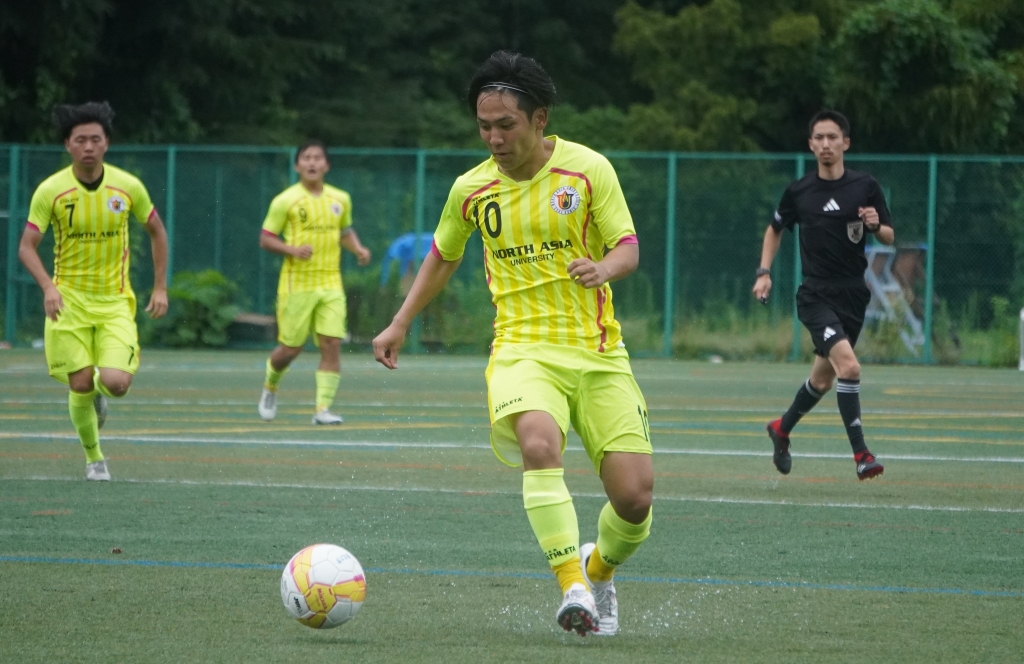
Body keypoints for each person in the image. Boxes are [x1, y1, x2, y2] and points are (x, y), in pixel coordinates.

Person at [372, 51, 653, 637]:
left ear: (540, 118)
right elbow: (443, 255)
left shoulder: (588, 170)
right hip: (521, 349)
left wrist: (604, 268)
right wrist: (400, 322)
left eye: (506, 125)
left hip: (599, 351)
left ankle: (598, 573)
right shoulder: (471, 189)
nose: (494, 139)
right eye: (484, 127)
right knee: (538, 444)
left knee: (635, 499)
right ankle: (572, 586)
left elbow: (627, 247)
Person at [18, 102, 169, 481]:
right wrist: (48, 287)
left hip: (115, 301)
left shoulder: (128, 186)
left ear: (107, 144)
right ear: (67, 144)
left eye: (96, 139)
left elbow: (156, 231)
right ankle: (94, 458)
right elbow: (27, 246)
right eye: (80, 139)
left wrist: (160, 287)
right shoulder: (51, 190)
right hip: (67, 303)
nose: (88, 146)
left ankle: (101, 394)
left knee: (116, 384)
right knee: (80, 382)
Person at [753, 109, 894, 481]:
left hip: (854, 295)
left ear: (845, 142)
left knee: (822, 380)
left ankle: (781, 429)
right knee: (850, 367)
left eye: (833, 137)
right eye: (819, 138)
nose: (826, 144)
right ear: (811, 145)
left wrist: (876, 226)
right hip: (815, 295)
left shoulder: (865, 186)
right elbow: (774, 229)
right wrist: (763, 273)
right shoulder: (799, 191)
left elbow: (889, 235)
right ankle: (862, 455)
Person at [258, 140, 371, 424]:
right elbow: (266, 238)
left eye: (317, 157)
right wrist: (291, 250)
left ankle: (323, 410)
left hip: (331, 282)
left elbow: (344, 231)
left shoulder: (340, 199)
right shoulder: (285, 200)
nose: (312, 162)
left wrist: (358, 249)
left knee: (331, 343)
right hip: (296, 284)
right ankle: (270, 386)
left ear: (327, 165)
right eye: (306, 158)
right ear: (297, 165)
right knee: (290, 350)